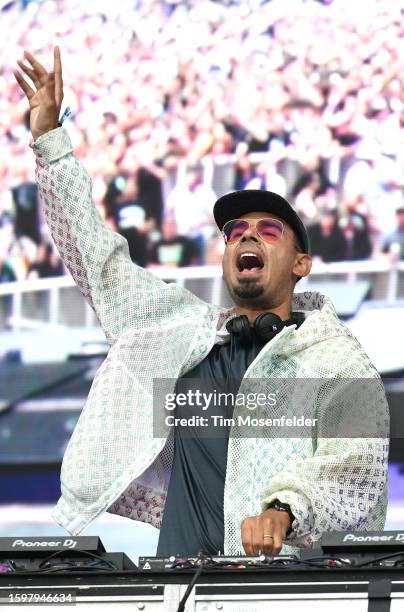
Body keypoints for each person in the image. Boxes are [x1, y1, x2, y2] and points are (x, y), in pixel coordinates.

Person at [14, 47, 389, 557]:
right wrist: (50, 143)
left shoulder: (336, 360)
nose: (245, 237)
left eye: (268, 229)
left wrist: (284, 508)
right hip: (175, 586)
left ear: (302, 264)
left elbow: (356, 463)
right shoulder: (182, 334)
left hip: (282, 591)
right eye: (235, 231)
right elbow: (100, 265)